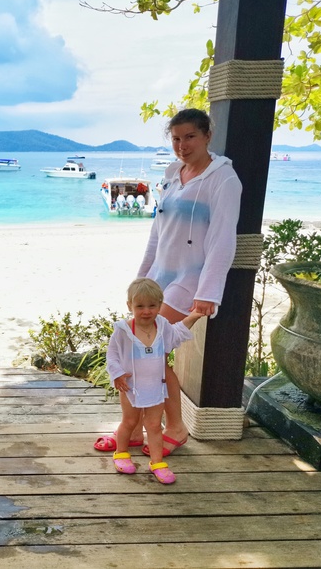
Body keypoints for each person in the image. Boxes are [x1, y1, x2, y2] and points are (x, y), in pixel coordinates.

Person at [138, 108, 242, 455]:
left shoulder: (223, 179)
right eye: (176, 139)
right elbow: (158, 232)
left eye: (190, 137)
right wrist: (141, 279)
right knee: (148, 355)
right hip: (159, 276)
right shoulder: (172, 173)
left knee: (149, 353)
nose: (182, 145)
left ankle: (172, 428)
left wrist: (209, 291)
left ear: (207, 136)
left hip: (190, 278)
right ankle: (139, 427)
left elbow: (223, 238)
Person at [107, 278, 203, 484]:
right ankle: (121, 453)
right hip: (131, 387)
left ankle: (157, 462)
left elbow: (177, 333)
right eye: (140, 306)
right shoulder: (123, 330)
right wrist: (117, 374)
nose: (146, 311)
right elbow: (112, 354)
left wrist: (194, 315)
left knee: (154, 425)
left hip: (155, 388)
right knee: (129, 421)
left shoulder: (162, 326)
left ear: (160, 305)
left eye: (152, 306)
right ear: (130, 306)